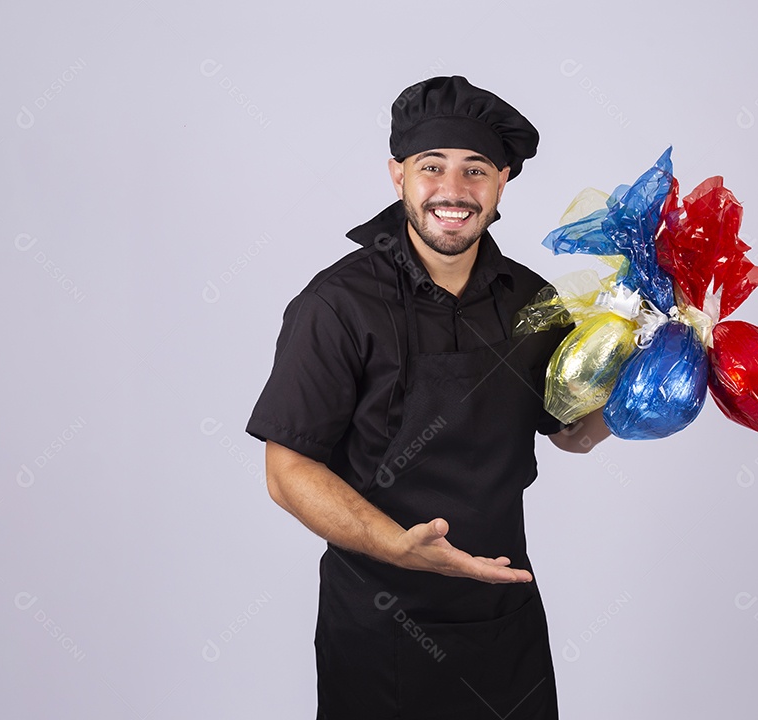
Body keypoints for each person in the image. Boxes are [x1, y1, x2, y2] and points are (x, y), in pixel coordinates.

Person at [245, 75, 610, 719]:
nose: (453, 189)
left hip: (502, 621)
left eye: (476, 170)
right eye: (431, 166)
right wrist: (397, 546)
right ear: (398, 176)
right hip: (379, 630)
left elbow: (573, 433)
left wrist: (642, 384)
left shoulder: (532, 301)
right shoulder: (338, 305)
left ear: (502, 182)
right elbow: (287, 471)